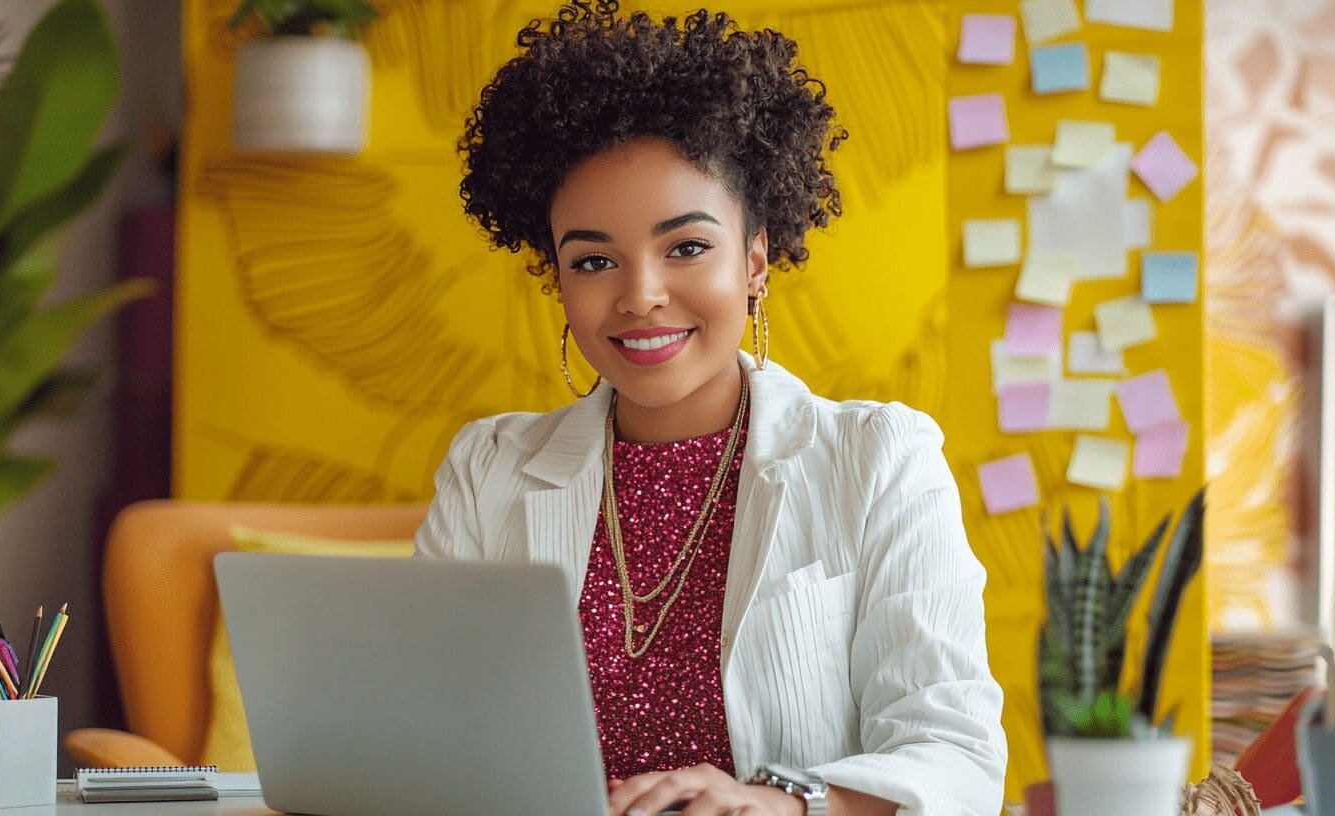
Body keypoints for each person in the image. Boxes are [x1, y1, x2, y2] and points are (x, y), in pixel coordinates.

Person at [414, 2, 1007, 814]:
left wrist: (787, 805)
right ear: (557, 279)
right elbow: (425, 739)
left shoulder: (880, 459)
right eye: (593, 261)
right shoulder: (488, 471)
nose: (640, 296)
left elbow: (956, 756)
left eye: (686, 247)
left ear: (756, 258)